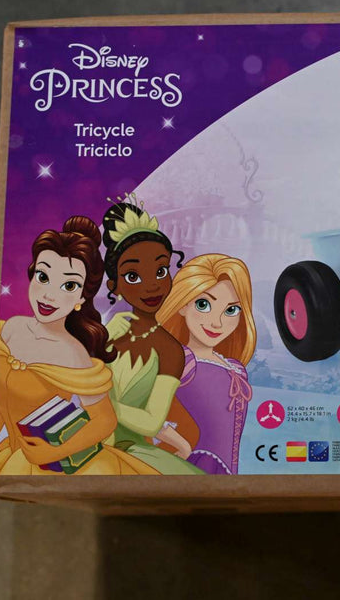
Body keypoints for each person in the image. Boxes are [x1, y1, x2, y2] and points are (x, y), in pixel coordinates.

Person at [0, 216, 158, 476]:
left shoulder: (72, 352)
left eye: (68, 285)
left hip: (49, 464)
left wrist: (52, 452)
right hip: (7, 457)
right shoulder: (10, 329)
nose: (49, 295)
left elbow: (104, 420)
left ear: (81, 297)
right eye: (43, 277)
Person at [101, 198, 204, 475]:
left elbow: (150, 422)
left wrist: (102, 403)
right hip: (81, 438)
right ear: (114, 286)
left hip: (126, 450)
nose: (151, 286)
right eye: (133, 276)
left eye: (160, 271)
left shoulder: (169, 349)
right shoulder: (109, 332)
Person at [157, 254, 256, 475]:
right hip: (190, 468)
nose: (216, 323)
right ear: (182, 305)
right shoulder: (181, 360)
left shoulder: (236, 368)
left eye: (231, 310)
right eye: (203, 304)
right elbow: (142, 409)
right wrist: (181, 445)